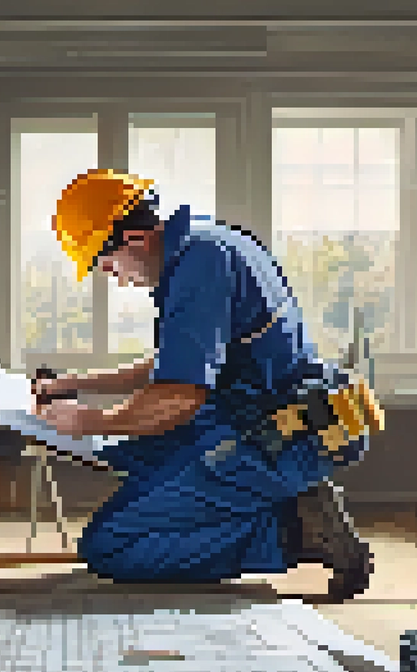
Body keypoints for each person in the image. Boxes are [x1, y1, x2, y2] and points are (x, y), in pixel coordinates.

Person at [31, 169, 383, 602]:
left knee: (110, 546)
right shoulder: (206, 246)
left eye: (108, 267)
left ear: (135, 240)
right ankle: (266, 506)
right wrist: (71, 384)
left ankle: (294, 528)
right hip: (259, 416)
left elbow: (179, 398)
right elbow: (175, 363)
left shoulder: (199, 269)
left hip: (278, 439)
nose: (118, 279)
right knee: (127, 451)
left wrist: (89, 420)